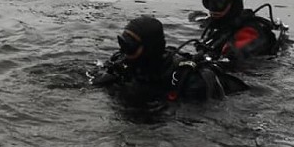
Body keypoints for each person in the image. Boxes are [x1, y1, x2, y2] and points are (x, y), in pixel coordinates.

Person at [92, 16, 248, 104]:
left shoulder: (186, 79)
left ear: (149, 48)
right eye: (122, 43)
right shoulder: (122, 64)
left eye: (130, 47)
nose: (124, 53)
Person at [198, 0, 290, 64]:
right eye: (210, 2)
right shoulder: (218, 27)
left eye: (219, 2)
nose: (213, 8)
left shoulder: (250, 32)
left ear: (234, 5)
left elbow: (232, 60)